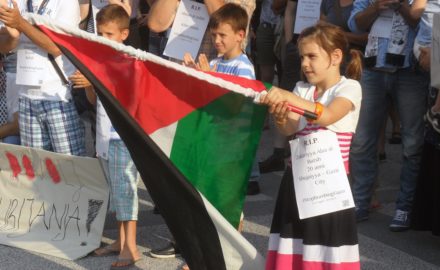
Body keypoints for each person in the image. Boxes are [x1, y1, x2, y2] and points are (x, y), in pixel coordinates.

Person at [147, 0, 256, 259]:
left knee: (227, 206)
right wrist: (195, 75)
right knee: (202, 200)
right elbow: (202, 100)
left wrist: (209, 81)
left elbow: (236, 105)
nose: (216, 40)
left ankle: (229, 255)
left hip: (229, 148)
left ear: (241, 36)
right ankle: (198, 253)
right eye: (213, 34)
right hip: (208, 143)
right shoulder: (216, 62)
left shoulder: (244, 66)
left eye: (222, 35)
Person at [260, 22, 362, 270]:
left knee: (327, 246)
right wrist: (281, 115)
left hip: (330, 185)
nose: (305, 64)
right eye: (302, 56)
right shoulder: (302, 89)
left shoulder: (349, 87)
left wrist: (286, 97)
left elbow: (326, 115)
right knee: (294, 241)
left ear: (336, 56)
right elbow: (289, 130)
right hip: (297, 179)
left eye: (312, 56)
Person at [69, 4, 141, 268]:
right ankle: (120, 242)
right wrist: (88, 84)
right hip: (104, 133)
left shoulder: (130, 59)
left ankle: (131, 247)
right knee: (115, 188)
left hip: (122, 135)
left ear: (124, 34)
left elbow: (128, 97)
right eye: (101, 33)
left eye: (109, 34)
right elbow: (93, 100)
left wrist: (95, 81)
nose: (103, 38)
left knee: (126, 188)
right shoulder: (100, 59)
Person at [348, 0, 430, 231]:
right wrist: (377, 6)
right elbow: (355, 24)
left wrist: (401, 4)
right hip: (373, 69)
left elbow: (424, 25)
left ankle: (405, 207)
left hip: (410, 72)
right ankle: (360, 202)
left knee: (412, 143)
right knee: (362, 141)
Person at [0, 1, 85, 156]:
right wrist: (13, 37)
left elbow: (57, 47)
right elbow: (4, 46)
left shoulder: (66, 2)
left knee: (70, 168)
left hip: (58, 96)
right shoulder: (17, 2)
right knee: (37, 170)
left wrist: (20, 23)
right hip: (26, 98)